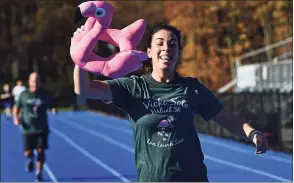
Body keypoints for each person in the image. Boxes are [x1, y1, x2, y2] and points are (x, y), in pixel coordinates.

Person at [72, 24, 268, 182]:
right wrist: (81, 54)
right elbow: (84, 89)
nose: (166, 48)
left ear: (178, 52)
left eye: (172, 43)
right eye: (160, 43)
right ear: (149, 51)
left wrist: (252, 133)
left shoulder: (192, 88)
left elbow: (228, 119)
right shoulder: (132, 87)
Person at [12, 72, 57, 182]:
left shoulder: (44, 95)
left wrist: (53, 109)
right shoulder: (23, 95)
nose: (35, 83)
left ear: (40, 82)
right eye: (33, 81)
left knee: (41, 151)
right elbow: (16, 108)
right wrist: (16, 118)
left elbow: (52, 104)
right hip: (28, 129)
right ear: (29, 82)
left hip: (42, 129)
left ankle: (38, 173)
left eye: (37, 81)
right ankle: (30, 158)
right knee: (28, 152)